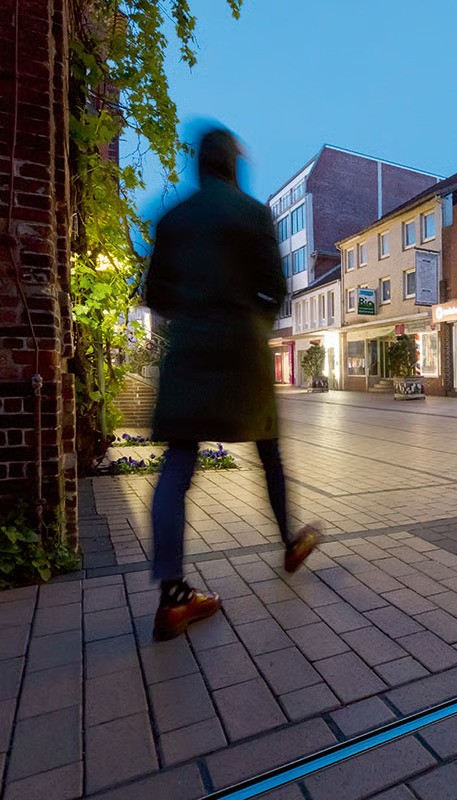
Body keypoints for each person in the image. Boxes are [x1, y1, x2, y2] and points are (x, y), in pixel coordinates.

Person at [144, 126, 319, 642]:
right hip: (241, 352)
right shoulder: (253, 213)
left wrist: (194, 319)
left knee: (178, 463)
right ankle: (289, 541)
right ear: (233, 164)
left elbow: (156, 294)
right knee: (268, 450)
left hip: (191, 354)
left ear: (200, 165)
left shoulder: (173, 219)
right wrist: (251, 324)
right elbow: (276, 289)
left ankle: (173, 596)